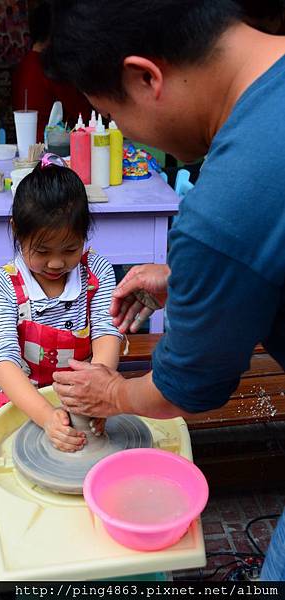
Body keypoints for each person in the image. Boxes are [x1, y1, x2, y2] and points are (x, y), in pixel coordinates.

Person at [45, 0, 285, 581]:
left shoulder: (225, 207)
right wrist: (189, 281)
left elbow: (187, 387)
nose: (126, 135)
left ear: (145, 76)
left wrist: (113, 396)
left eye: (112, 116)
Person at [0, 153, 122, 533]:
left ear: (85, 237)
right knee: (18, 506)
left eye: (70, 250)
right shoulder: (1, 285)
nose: (57, 263)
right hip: (23, 399)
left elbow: (107, 330)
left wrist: (102, 387)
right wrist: (44, 415)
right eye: (42, 251)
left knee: (95, 503)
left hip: (86, 393)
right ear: (16, 231)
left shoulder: (98, 271)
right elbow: (3, 359)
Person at [12, 1, 91, 141]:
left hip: (28, 143)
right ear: (54, 32)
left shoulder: (23, 64)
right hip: (50, 148)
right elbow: (83, 113)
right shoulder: (49, 67)